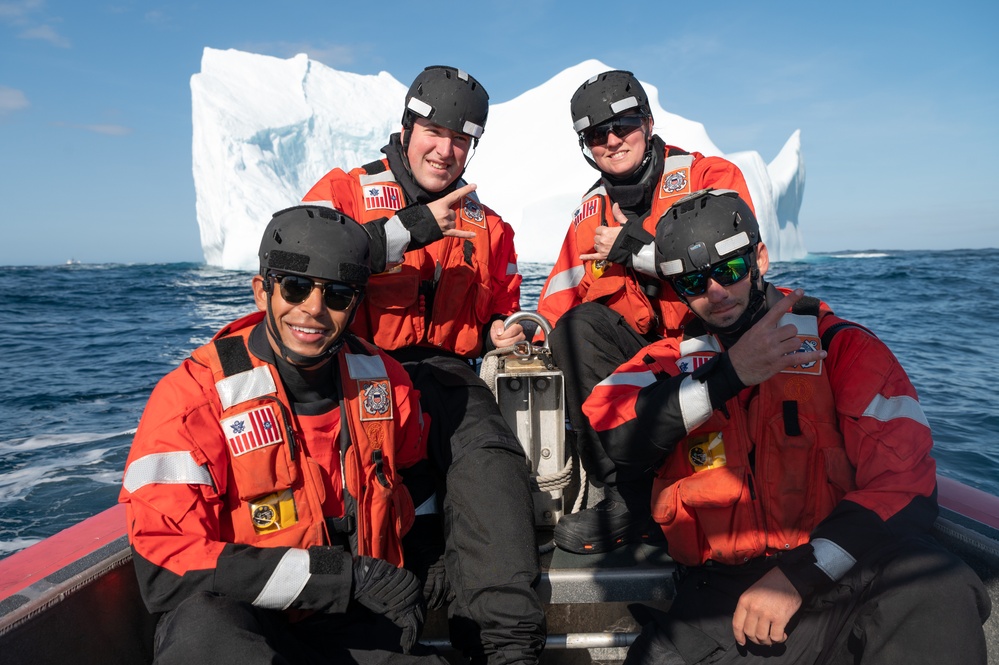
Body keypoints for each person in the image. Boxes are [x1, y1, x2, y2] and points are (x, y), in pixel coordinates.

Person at [583, 189, 992, 664]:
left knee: (937, 584)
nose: (715, 293)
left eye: (729, 270)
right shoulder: (669, 364)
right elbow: (611, 437)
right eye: (694, 282)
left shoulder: (844, 350)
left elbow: (907, 486)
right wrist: (727, 377)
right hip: (724, 600)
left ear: (760, 257)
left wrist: (802, 573)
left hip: (841, 572)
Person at [120, 205, 446, 665]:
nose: (313, 309)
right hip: (248, 626)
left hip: (360, 624)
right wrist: (345, 577)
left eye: (336, 294)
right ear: (262, 291)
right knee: (203, 634)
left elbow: (415, 474)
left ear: (354, 305)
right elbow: (164, 567)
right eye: (295, 288)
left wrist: (428, 549)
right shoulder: (193, 398)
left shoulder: (385, 382)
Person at [303, 66, 546, 665]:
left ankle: (505, 645)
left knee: (491, 462)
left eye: (462, 139)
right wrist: (407, 231)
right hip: (356, 369)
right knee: (362, 478)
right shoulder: (343, 194)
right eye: (434, 130)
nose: (446, 149)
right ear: (407, 127)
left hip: (445, 372)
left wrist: (499, 332)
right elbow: (305, 266)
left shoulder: (487, 225)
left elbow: (491, 315)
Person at [537, 70, 757, 554]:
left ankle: (744, 486)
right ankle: (629, 501)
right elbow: (563, 287)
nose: (612, 141)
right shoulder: (588, 211)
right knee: (574, 331)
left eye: (624, 125)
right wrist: (527, 330)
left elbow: (732, 263)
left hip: (712, 336)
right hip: (643, 351)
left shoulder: (708, 176)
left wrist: (635, 249)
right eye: (597, 135)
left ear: (649, 123)